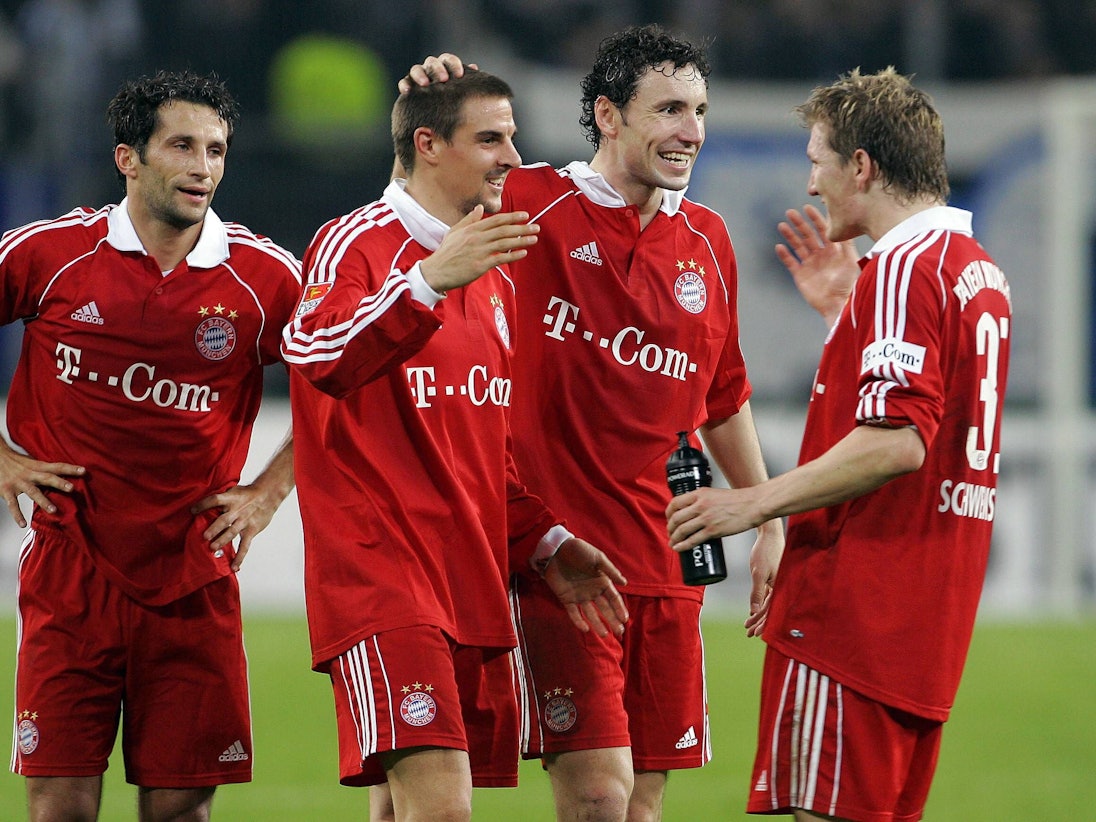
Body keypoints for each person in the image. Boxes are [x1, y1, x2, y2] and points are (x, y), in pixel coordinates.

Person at [400, 24, 784, 822]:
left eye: (699, 110)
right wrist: (418, 120)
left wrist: (768, 517)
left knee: (641, 803)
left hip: (670, 563)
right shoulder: (532, 199)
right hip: (560, 559)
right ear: (608, 115)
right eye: (669, 109)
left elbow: (722, 394)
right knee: (600, 795)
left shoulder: (708, 241)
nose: (691, 130)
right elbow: (418, 211)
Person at [281, 68, 630, 822]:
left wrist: (545, 542)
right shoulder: (357, 242)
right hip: (381, 574)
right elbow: (314, 353)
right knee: (442, 806)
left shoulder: (493, 276)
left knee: (404, 807)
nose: (513, 157)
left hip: (468, 580)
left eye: (512, 136)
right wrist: (427, 282)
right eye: (491, 139)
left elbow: (484, 455)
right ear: (429, 144)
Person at [666, 67, 1012, 821]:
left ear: (861, 165)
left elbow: (897, 443)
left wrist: (754, 504)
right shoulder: (975, 272)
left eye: (817, 161)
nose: (811, 184)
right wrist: (845, 322)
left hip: (850, 617)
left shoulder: (902, 269)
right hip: (924, 627)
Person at [1, 70, 302, 821]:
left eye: (216, 150)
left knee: (180, 812)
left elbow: (346, 382)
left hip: (194, 573)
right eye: (182, 146)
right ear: (128, 159)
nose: (203, 167)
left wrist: (269, 492)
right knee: (59, 808)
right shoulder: (52, 253)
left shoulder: (264, 278)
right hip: (70, 570)